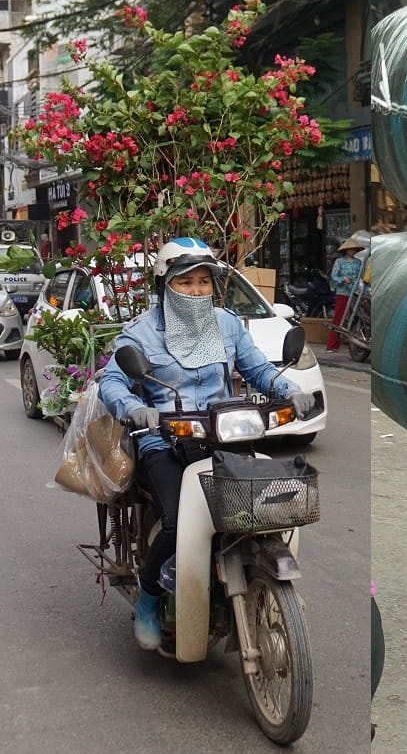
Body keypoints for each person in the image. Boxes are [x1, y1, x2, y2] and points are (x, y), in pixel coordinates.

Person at [97, 237, 317, 651]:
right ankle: (148, 599)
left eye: (204, 282)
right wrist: (134, 407)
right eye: (186, 282)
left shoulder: (228, 323)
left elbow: (257, 369)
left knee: (257, 506)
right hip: (164, 440)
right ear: (164, 284)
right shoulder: (141, 332)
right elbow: (112, 380)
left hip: (222, 432)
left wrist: (290, 390)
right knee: (179, 520)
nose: (197, 291)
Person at [328, 232, 366, 347]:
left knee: (357, 316)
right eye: (350, 249)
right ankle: (332, 344)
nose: (352, 251)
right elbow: (334, 276)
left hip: (355, 292)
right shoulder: (339, 262)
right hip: (343, 292)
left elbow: (361, 276)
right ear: (346, 250)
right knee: (339, 317)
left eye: (354, 250)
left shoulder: (358, 262)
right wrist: (343, 279)